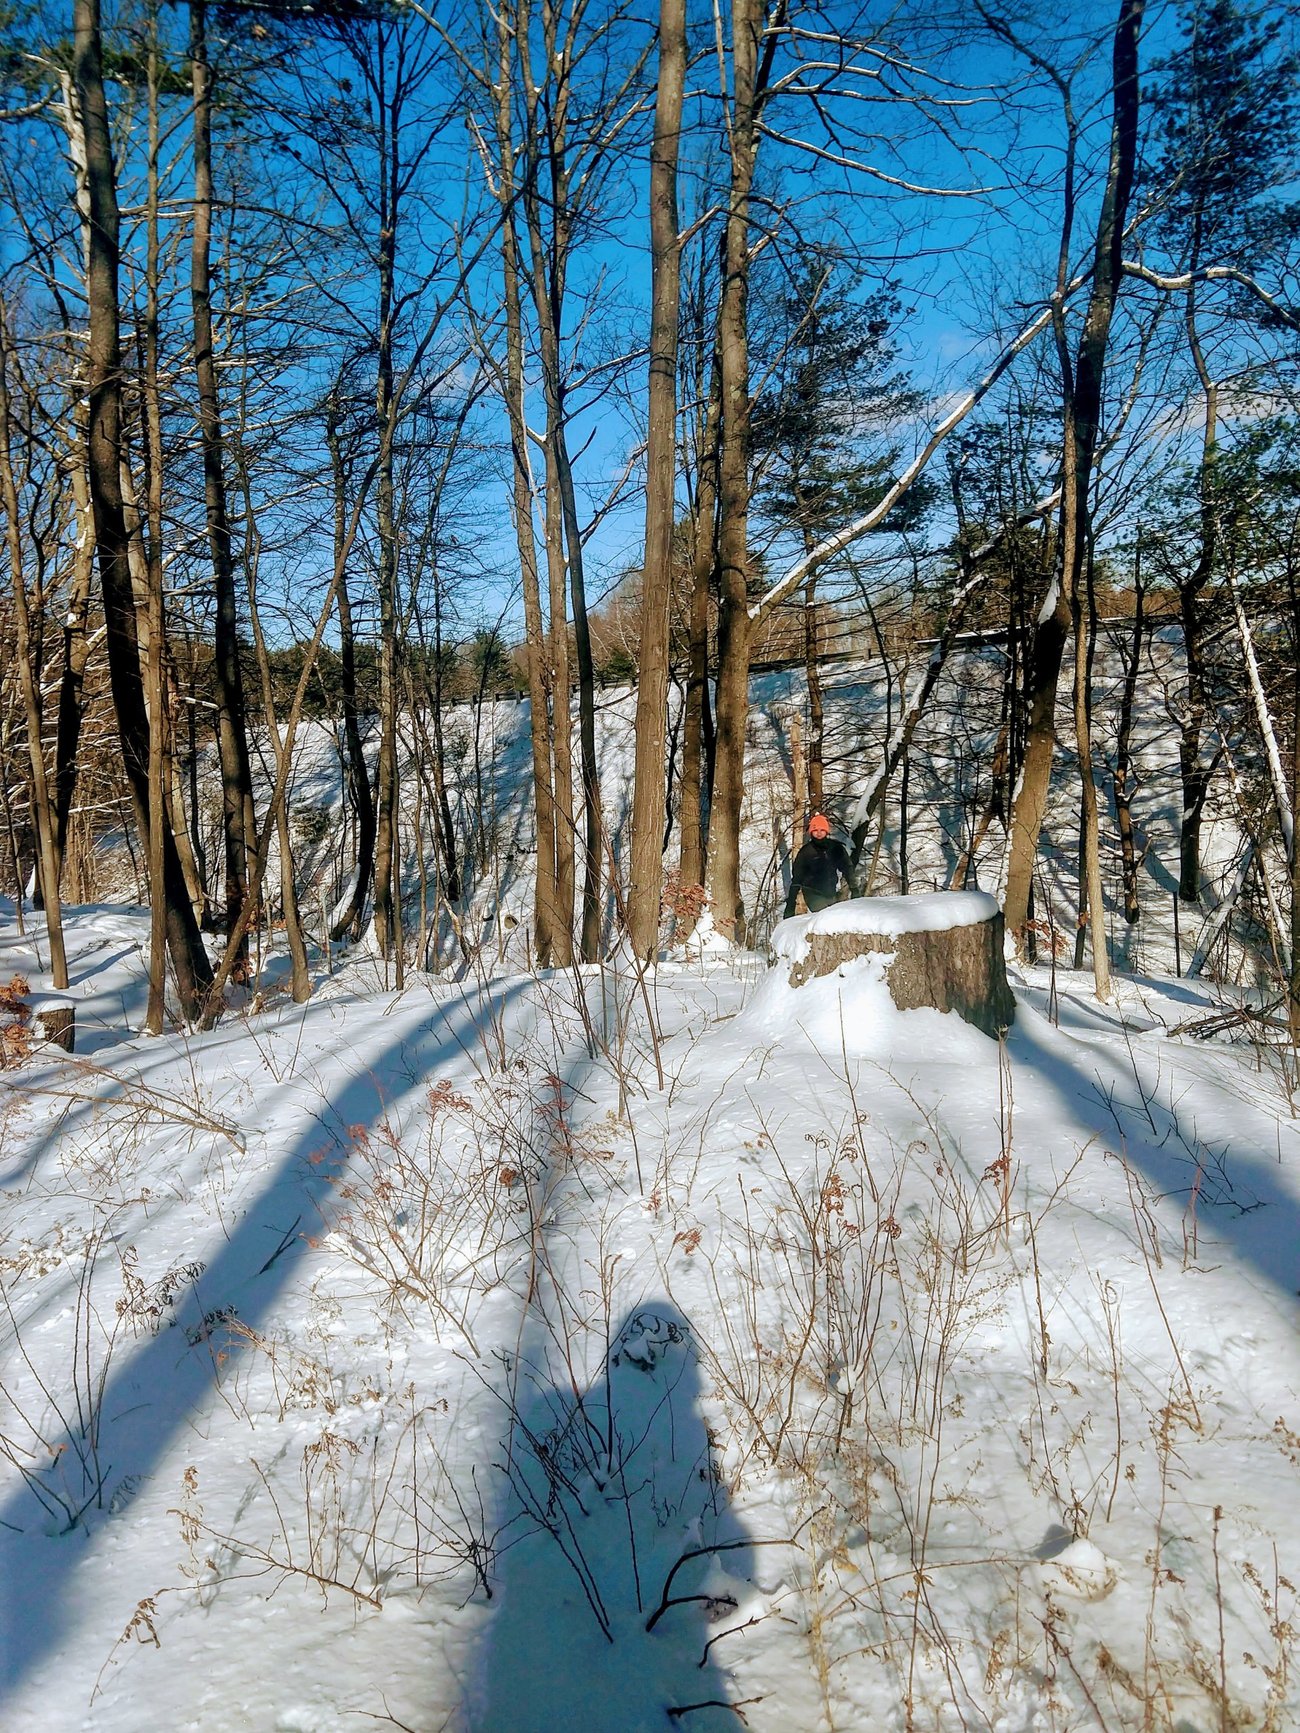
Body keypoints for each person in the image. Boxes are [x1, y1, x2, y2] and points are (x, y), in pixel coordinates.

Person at [784, 813, 854, 917]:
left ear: (826, 831)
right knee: (825, 916)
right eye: (815, 830)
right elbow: (796, 879)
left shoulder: (835, 848)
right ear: (811, 832)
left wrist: (854, 889)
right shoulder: (806, 852)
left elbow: (847, 868)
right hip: (812, 893)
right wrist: (790, 905)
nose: (819, 833)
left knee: (835, 919)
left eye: (822, 830)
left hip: (831, 893)